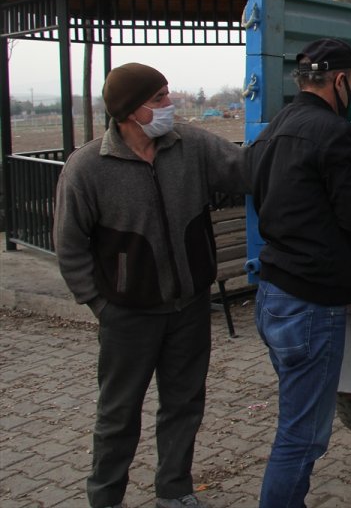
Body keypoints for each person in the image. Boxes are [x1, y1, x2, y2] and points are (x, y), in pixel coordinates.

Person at [54, 63, 251, 508]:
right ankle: (106, 497)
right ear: (129, 111)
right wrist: (101, 305)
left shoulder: (190, 145)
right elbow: (69, 246)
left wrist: (296, 145)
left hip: (189, 308)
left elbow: (247, 170)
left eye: (167, 94)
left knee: (184, 404)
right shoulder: (87, 168)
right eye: (159, 98)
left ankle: (174, 491)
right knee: (118, 413)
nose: (170, 104)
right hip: (128, 316)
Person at [249, 38, 351, 507]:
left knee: (295, 421)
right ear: (340, 80)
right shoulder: (335, 132)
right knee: (302, 436)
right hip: (309, 305)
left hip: (272, 295)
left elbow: (258, 187)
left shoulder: (277, 125)